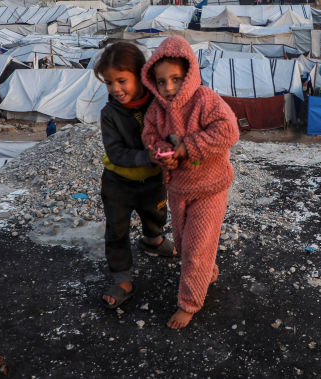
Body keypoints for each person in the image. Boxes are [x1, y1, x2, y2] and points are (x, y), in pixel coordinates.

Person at [141, 36, 240, 329]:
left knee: (197, 247)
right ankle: (205, 272)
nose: (169, 88)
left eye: (176, 79)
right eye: (161, 81)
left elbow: (229, 131)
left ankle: (189, 303)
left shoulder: (205, 99)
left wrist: (188, 147)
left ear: (190, 75)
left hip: (210, 186)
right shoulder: (156, 110)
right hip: (178, 189)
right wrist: (161, 153)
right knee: (186, 245)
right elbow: (149, 136)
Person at [94, 41, 175, 311]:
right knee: (116, 229)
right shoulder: (109, 115)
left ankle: (152, 239)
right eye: (109, 83)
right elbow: (115, 152)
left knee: (156, 212)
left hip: (152, 179)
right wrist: (145, 157)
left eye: (121, 80)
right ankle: (122, 278)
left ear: (141, 75)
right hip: (118, 182)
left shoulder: (158, 103)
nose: (115, 89)